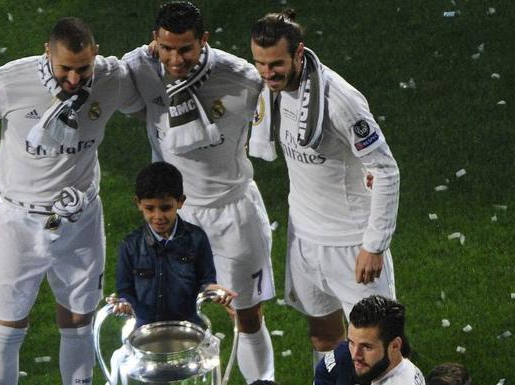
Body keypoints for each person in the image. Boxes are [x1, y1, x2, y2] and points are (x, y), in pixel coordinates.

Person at [0, 17, 142, 385]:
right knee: (7, 327)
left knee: (79, 322)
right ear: (47, 53)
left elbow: (148, 97)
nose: (73, 80)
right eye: (65, 69)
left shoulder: (111, 79)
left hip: (81, 219)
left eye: (83, 69)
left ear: (95, 54)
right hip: (18, 222)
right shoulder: (10, 80)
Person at [122, 2, 276, 383]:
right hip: (176, 217)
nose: (175, 59)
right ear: (154, 41)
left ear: (203, 41)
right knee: (170, 316)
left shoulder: (242, 77)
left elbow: (283, 113)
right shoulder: (140, 68)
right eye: (167, 48)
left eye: (186, 49)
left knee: (248, 315)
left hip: (232, 212)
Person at [249, 10, 400, 370]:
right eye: (260, 64)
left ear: (299, 53)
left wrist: (374, 245)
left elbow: (385, 170)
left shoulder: (340, 100)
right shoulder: (271, 89)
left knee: (379, 351)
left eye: (276, 64)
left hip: (351, 245)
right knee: (322, 336)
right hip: (304, 238)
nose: (268, 74)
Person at [115, 161, 236, 327]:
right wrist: (123, 303)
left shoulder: (196, 239)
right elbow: (125, 290)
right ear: (138, 203)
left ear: (180, 201)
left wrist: (214, 292)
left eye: (165, 208)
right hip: (145, 331)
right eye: (150, 208)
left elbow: (206, 282)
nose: (158, 216)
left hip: (188, 329)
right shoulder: (129, 246)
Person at [346, 295, 424, 385]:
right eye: (351, 343)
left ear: (395, 346)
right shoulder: (405, 367)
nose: (355, 355)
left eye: (367, 347)